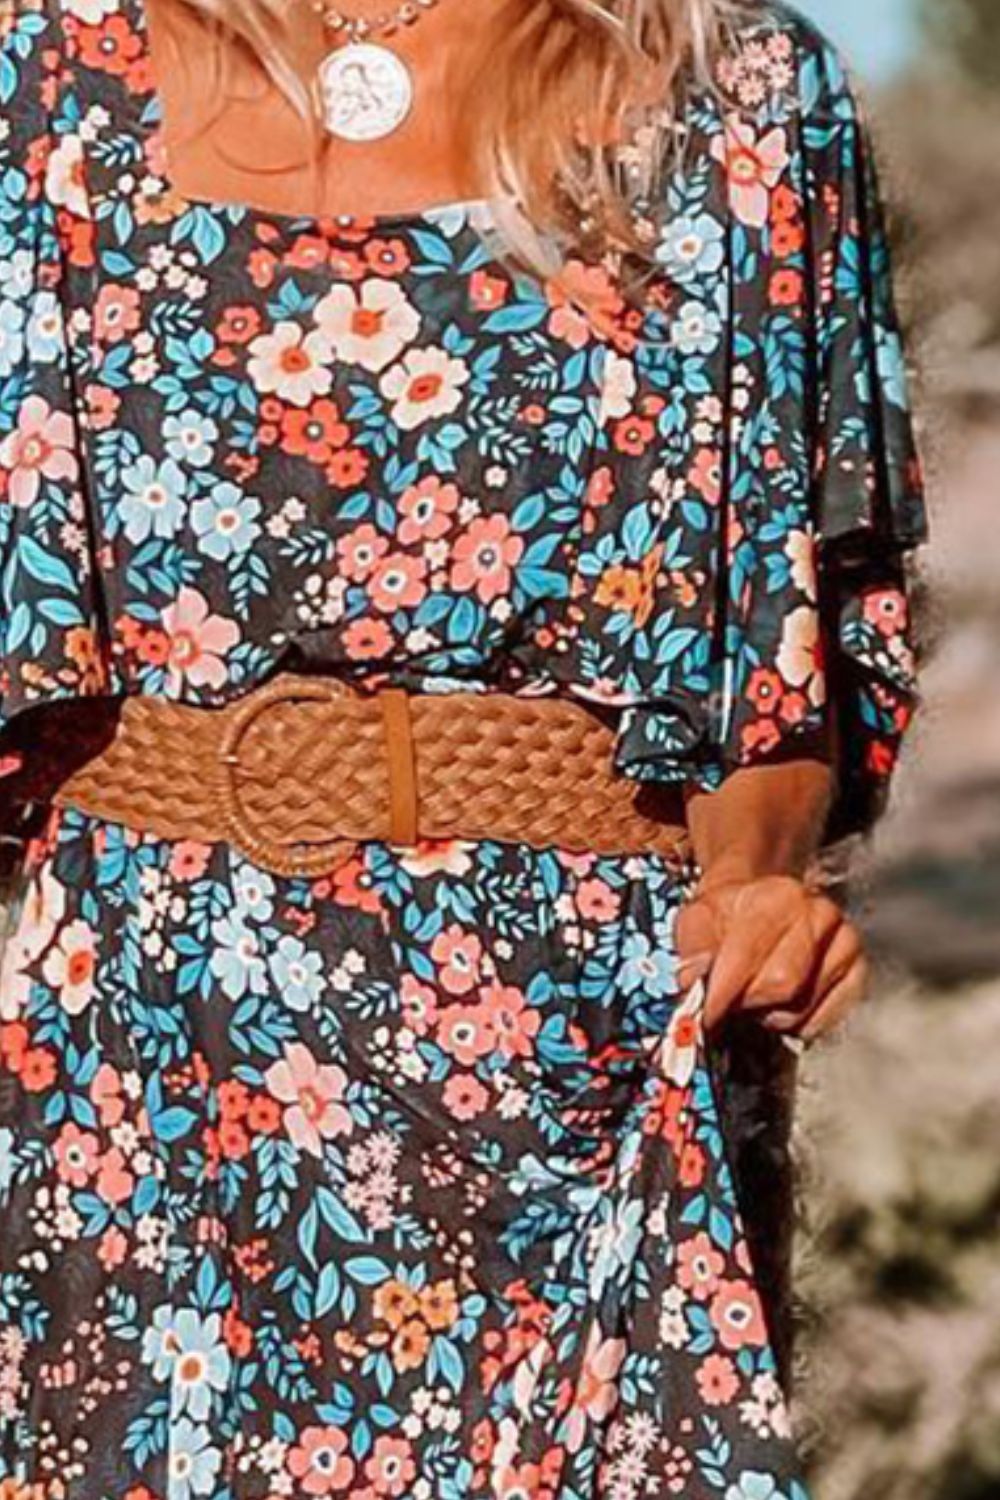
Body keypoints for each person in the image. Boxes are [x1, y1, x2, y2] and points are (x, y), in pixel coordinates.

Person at [0, 0, 928, 1493]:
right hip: (137, 1065)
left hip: (586, 1065)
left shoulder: (743, 91)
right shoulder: (40, 77)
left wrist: (757, 883)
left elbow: (783, 643)